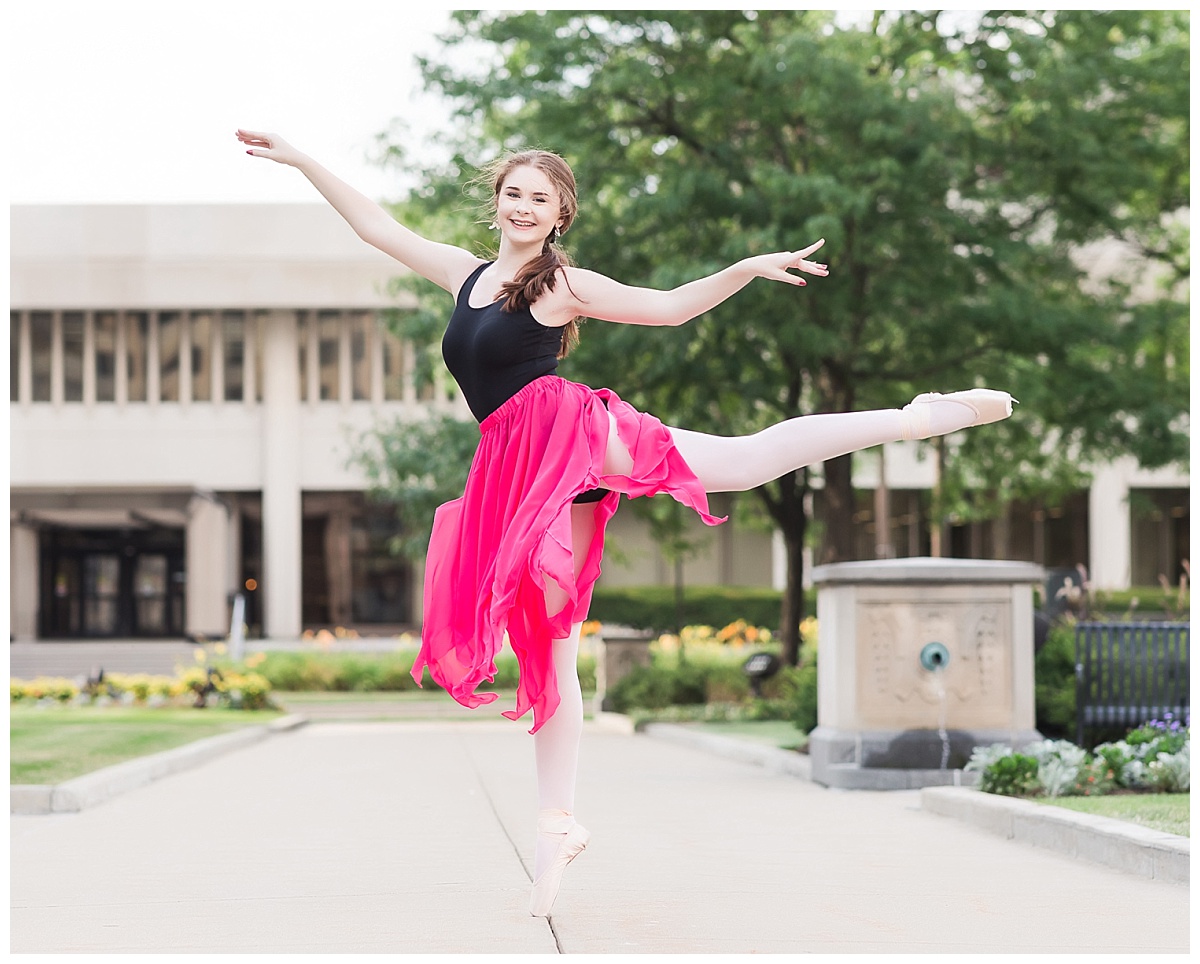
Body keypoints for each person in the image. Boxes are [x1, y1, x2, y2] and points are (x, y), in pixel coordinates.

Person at [237, 129, 1015, 916]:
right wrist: (303, 161)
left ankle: (911, 419)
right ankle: (557, 826)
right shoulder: (463, 275)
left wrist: (744, 269)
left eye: (541, 199)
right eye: (514, 193)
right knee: (548, 651)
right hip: (511, 471)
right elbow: (378, 227)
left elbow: (671, 309)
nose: (523, 206)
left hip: (562, 436)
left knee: (742, 462)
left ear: (559, 215)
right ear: (498, 200)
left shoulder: (562, 284)